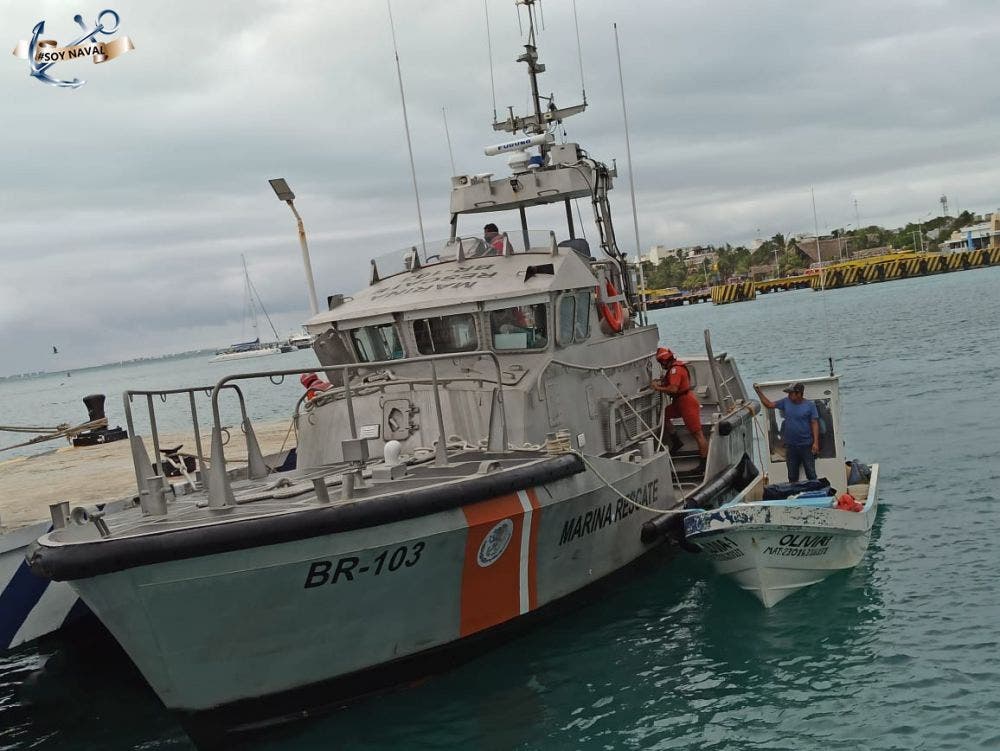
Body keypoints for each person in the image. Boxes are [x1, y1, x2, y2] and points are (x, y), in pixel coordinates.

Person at [753, 381, 820, 481]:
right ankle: (794, 491)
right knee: (792, 476)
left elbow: (814, 423)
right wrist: (758, 392)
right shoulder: (785, 402)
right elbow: (769, 405)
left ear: (799, 394)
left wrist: (816, 443)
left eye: (791, 393)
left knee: (811, 474)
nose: (788, 395)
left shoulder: (810, 406)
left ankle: (815, 490)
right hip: (791, 446)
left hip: (806, 445)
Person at [651, 347, 708, 460]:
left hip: (687, 403)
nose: (661, 365)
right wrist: (660, 382)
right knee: (664, 415)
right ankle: (676, 441)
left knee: (697, 434)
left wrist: (657, 388)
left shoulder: (675, 370)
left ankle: (704, 461)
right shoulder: (674, 368)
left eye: (661, 362)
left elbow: (673, 389)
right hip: (679, 402)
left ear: (664, 361)